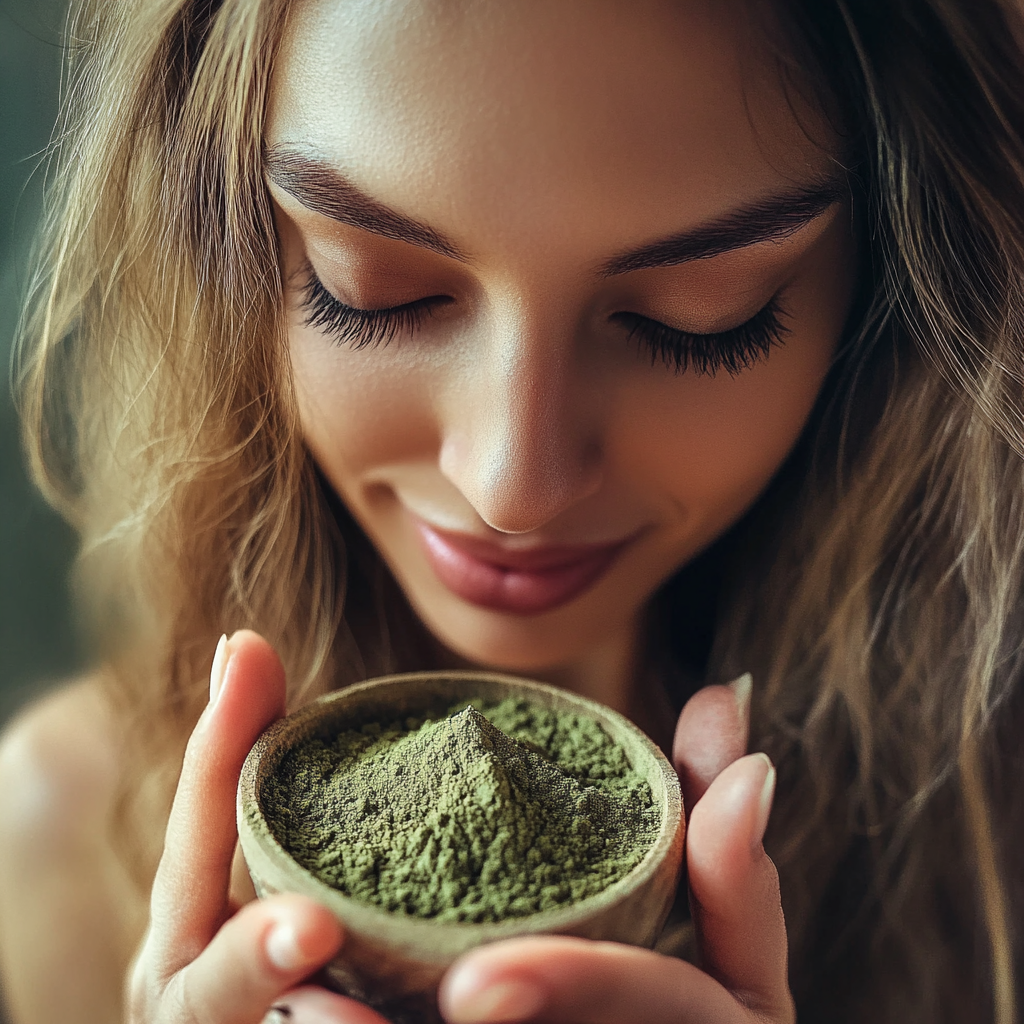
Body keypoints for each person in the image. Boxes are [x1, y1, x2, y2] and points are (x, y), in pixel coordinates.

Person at [1, 0, 1023, 1021]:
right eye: (372, 291)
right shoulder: (56, 843)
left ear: (886, 274)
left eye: (700, 318)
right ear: (221, 238)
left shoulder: (990, 827)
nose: (511, 487)